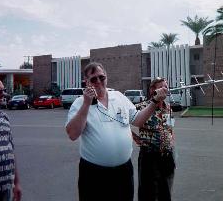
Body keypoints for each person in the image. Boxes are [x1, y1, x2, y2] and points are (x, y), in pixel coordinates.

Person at [65, 62, 168, 201]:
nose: (98, 82)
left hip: (123, 172)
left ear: (106, 77)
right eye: (93, 79)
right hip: (93, 174)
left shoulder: (119, 97)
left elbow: (137, 120)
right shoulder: (79, 103)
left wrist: (155, 101)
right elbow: (73, 134)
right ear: (86, 82)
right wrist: (86, 104)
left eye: (101, 77)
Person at [134, 77, 175, 201]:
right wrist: (134, 137)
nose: (165, 89)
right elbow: (122, 122)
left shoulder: (168, 107)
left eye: (166, 86)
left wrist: (172, 147)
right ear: (153, 89)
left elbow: (170, 128)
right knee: (148, 192)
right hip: (149, 157)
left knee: (166, 191)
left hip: (167, 156)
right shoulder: (142, 107)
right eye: (162, 86)